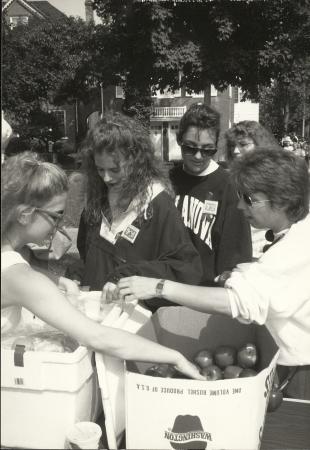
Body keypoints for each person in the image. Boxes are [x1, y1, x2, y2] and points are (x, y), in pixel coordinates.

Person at [116, 147, 310, 399]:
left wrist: (159, 286)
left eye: (249, 199)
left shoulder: (296, 247)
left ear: (282, 199)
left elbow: (237, 303)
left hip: (299, 370)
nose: (240, 205)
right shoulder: (297, 234)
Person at [0, 151, 204, 380]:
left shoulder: (12, 262)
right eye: (56, 216)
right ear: (25, 214)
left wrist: (57, 279)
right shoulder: (21, 279)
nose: (58, 226)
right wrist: (175, 357)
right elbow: (98, 337)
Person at [75, 113, 203, 310]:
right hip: (94, 314)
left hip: (135, 322)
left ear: (136, 162)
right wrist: (76, 276)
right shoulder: (97, 197)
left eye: (115, 170)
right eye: (100, 170)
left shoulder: (159, 205)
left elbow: (185, 268)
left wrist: (132, 274)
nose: (107, 178)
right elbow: (86, 252)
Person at [170, 104, 252, 286]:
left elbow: (236, 253)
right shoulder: (167, 181)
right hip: (167, 289)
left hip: (206, 295)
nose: (198, 156)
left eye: (208, 150)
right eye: (190, 148)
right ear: (179, 140)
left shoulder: (228, 186)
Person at [224, 120, 282, 259]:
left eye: (243, 144)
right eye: (232, 146)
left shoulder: (278, 177)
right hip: (241, 254)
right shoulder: (230, 179)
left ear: (260, 145)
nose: (235, 151)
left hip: (271, 254)